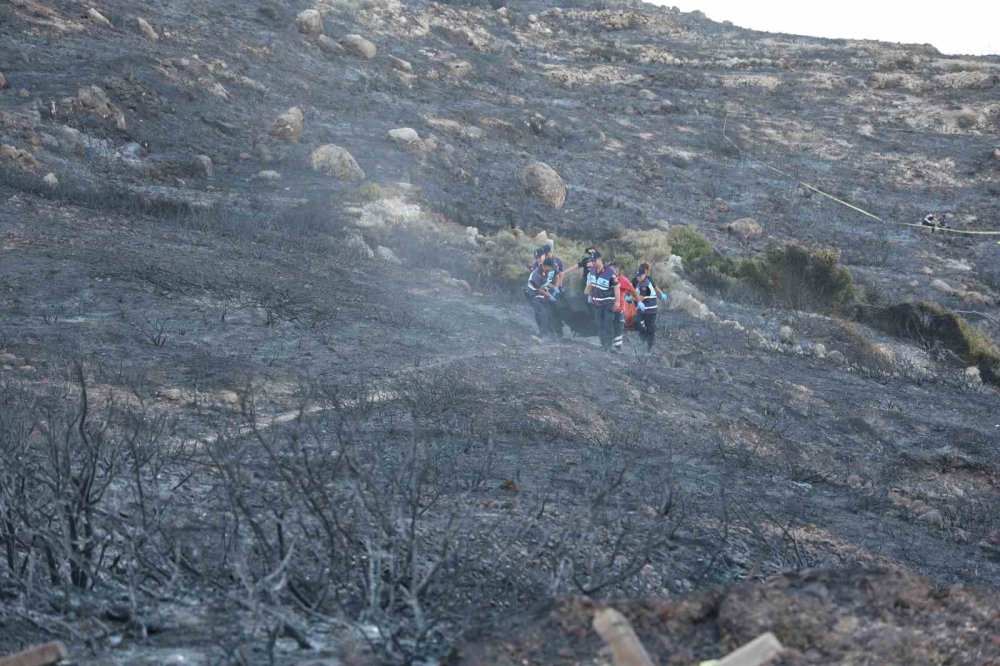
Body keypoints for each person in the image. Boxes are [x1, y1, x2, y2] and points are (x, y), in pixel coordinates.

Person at [584, 252, 620, 351]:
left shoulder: (610, 273)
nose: (592, 263)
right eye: (591, 261)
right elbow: (590, 284)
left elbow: (616, 288)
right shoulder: (591, 271)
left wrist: (617, 302)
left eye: (594, 261)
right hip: (597, 303)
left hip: (608, 302)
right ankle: (603, 344)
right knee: (599, 324)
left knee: (607, 323)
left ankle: (609, 345)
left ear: (599, 259)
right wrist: (587, 293)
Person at [525, 257, 560, 339]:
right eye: (550, 267)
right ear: (546, 265)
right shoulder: (536, 275)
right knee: (542, 313)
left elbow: (545, 282)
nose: (551, 269)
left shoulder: (545, 271)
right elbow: (539, 289)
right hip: (532, 294)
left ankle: (548, 332)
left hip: (539, 294)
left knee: (548, 313)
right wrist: (549, 296)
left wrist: (554, 287)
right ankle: (540, 335)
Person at [609, 261, 638, 351]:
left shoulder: (623, 280)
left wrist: (638, 300)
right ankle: (608, 346)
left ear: (617, 269)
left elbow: (632, 289)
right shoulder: (606, 278)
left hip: (619, 309)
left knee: (618, 329)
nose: (612, 270)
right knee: (609, 327)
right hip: (608, 309)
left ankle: (617, 348)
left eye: (613, 268)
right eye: (610, 269)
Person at [633, 263, 661, 352]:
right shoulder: (639, 283)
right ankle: (643, 336)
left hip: (650, 310)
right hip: (642, 309)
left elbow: (640, 298)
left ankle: (650, 346)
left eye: (640, 276)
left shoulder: (646, 285)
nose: (638, 277)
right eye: (637, 276)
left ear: (644, 275)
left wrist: (631, 298)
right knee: (636, 322)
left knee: (650, 328)